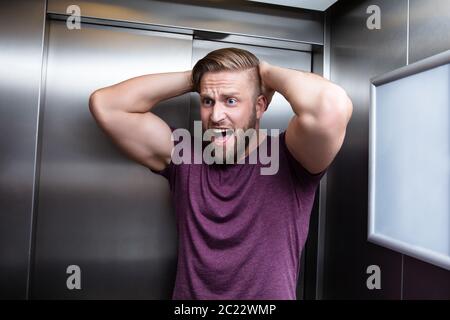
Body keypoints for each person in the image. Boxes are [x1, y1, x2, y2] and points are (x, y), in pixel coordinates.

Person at [89, 47, 353, 299]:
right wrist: (196, 77)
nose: (216, 115)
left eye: (231, 100)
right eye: (207, 101)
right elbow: (106, 105)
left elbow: (331, 106)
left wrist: (264, 72)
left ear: (260, 106)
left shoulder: (291, 157)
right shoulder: (185, 157)